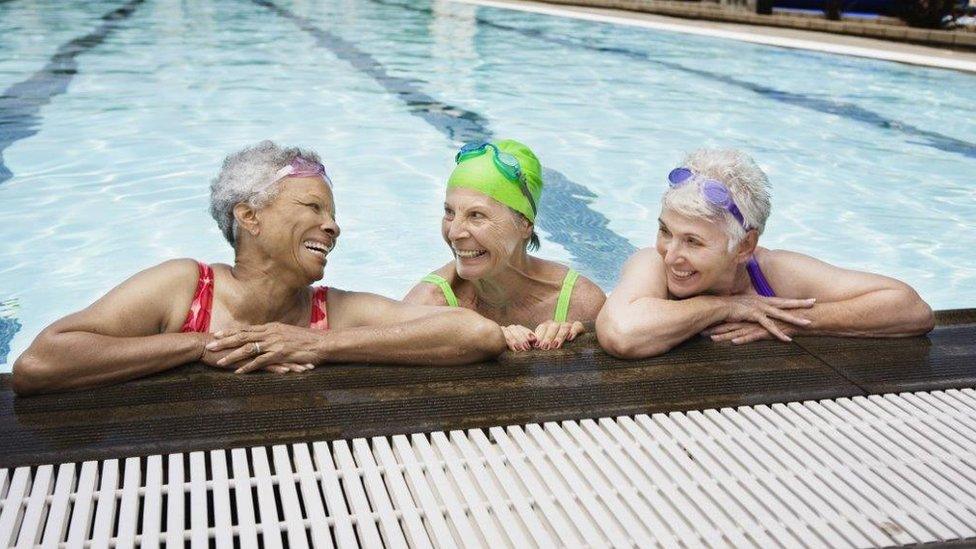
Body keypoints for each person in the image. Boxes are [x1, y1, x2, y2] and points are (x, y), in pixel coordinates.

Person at [12, 141, 506, 395]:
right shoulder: (185, 288)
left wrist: (317, 342)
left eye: (332, 215)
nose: (332, 227)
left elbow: (478, 335)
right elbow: (39, 365)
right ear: (248, 216)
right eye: (313, 207)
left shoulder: (331, 311)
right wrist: (198, 344)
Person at [597, 149, 934, 359]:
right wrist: (727, 307)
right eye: (665, 231)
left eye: (693, 242)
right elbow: (622, 334)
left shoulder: (773, 272)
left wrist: (796, 322)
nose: (671, 255)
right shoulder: (651, 264)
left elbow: (911, 309)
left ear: (744, 246)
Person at [404, 140, 605, 351]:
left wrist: (583, 338)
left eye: (476, 215)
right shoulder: (429, 303)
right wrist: (475, 334)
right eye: (449, 212)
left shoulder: (581, 302)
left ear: (525, 225)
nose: (454, 233)